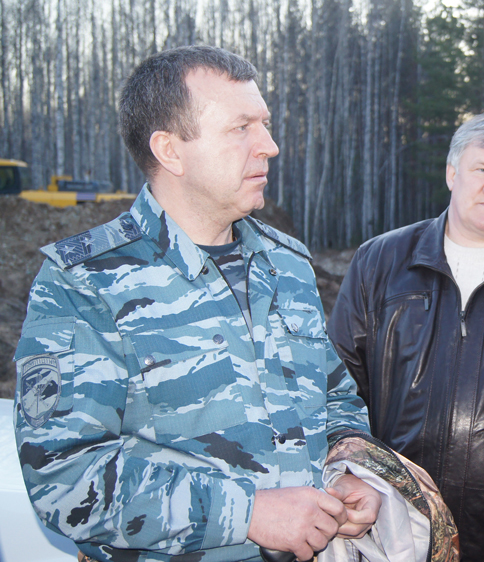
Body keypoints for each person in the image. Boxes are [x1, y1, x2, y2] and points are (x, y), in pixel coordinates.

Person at [14, 46, 382, 562]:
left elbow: (338, 401)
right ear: (170, 151)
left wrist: (350, 472)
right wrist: (248, 512)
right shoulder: (86, 283)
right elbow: (63, 476)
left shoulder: (288, 265)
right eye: (241, 128)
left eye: (266, 124)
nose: (270, 146)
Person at [331, 113, 484, 561]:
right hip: (398, 525)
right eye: (481, 169)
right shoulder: (380, 261)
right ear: (452, 173)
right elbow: (337, 385)